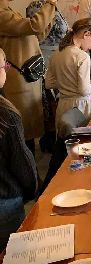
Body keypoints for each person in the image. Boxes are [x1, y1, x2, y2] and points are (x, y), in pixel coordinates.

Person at [0, 0, 58, 150]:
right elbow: (34, 26)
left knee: (29, 131)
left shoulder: (10, 11)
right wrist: (50, 3)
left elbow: (36, 34)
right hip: (18, 80)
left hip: (27, 77)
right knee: (23, 133)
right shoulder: (2, 14)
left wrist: (50, 10)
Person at [0, 47, 39, 251]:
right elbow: (22, 164)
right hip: (6, 203)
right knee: (12, 259)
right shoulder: (6, 115)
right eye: (4, 66)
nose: (6, 69)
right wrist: (33, 190)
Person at [45, 18, 91, 128]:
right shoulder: (82, 56)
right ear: (86, 34)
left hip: (64, 106)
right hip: (81, 108)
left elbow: (49, 83)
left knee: (68, 137)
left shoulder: (56, 54)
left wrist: (67, 82)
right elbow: (84, 90)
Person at [26, 0, 69, 65]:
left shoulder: (48, 4)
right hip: (46, 55)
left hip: (55, 53)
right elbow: (39, 31)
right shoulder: (38, 4)